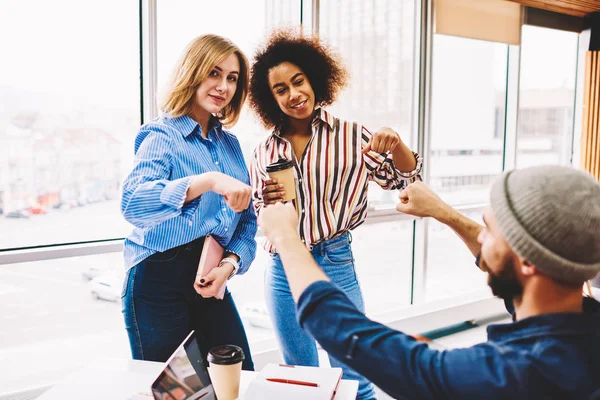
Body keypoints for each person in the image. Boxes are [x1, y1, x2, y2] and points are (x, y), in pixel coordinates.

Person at [257, 165, 600, 399]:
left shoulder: (516, 375)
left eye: (492, 233)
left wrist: (287, 236)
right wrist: (442, 212)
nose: (482, 240)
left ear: (527, 262)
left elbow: (338, 328)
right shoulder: (582, 321)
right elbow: (517, 275)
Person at [248, 30, 422, 399]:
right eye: (281, 90)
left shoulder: (352, 136)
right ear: (270, 98)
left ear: (314, 79)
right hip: (282, 267)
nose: (294, 95)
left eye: (299, 81)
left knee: (354, 370)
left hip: (335, 258)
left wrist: (398, 142)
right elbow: (259, 213)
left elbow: (406, 180)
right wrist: (264, 201)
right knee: (300, 374)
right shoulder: (263, 151)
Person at [120, 34, 256, 369]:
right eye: (214, 73)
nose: (223, 86)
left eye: (232, 78)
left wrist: (229, 265)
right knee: (180, 393)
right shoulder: (161, 136)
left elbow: (247, 222)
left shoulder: (231, 146)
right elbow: (133, 203)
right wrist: (205, 181)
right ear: (192, 73)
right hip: (157, 285)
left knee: (239, 381)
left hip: (210, 280)